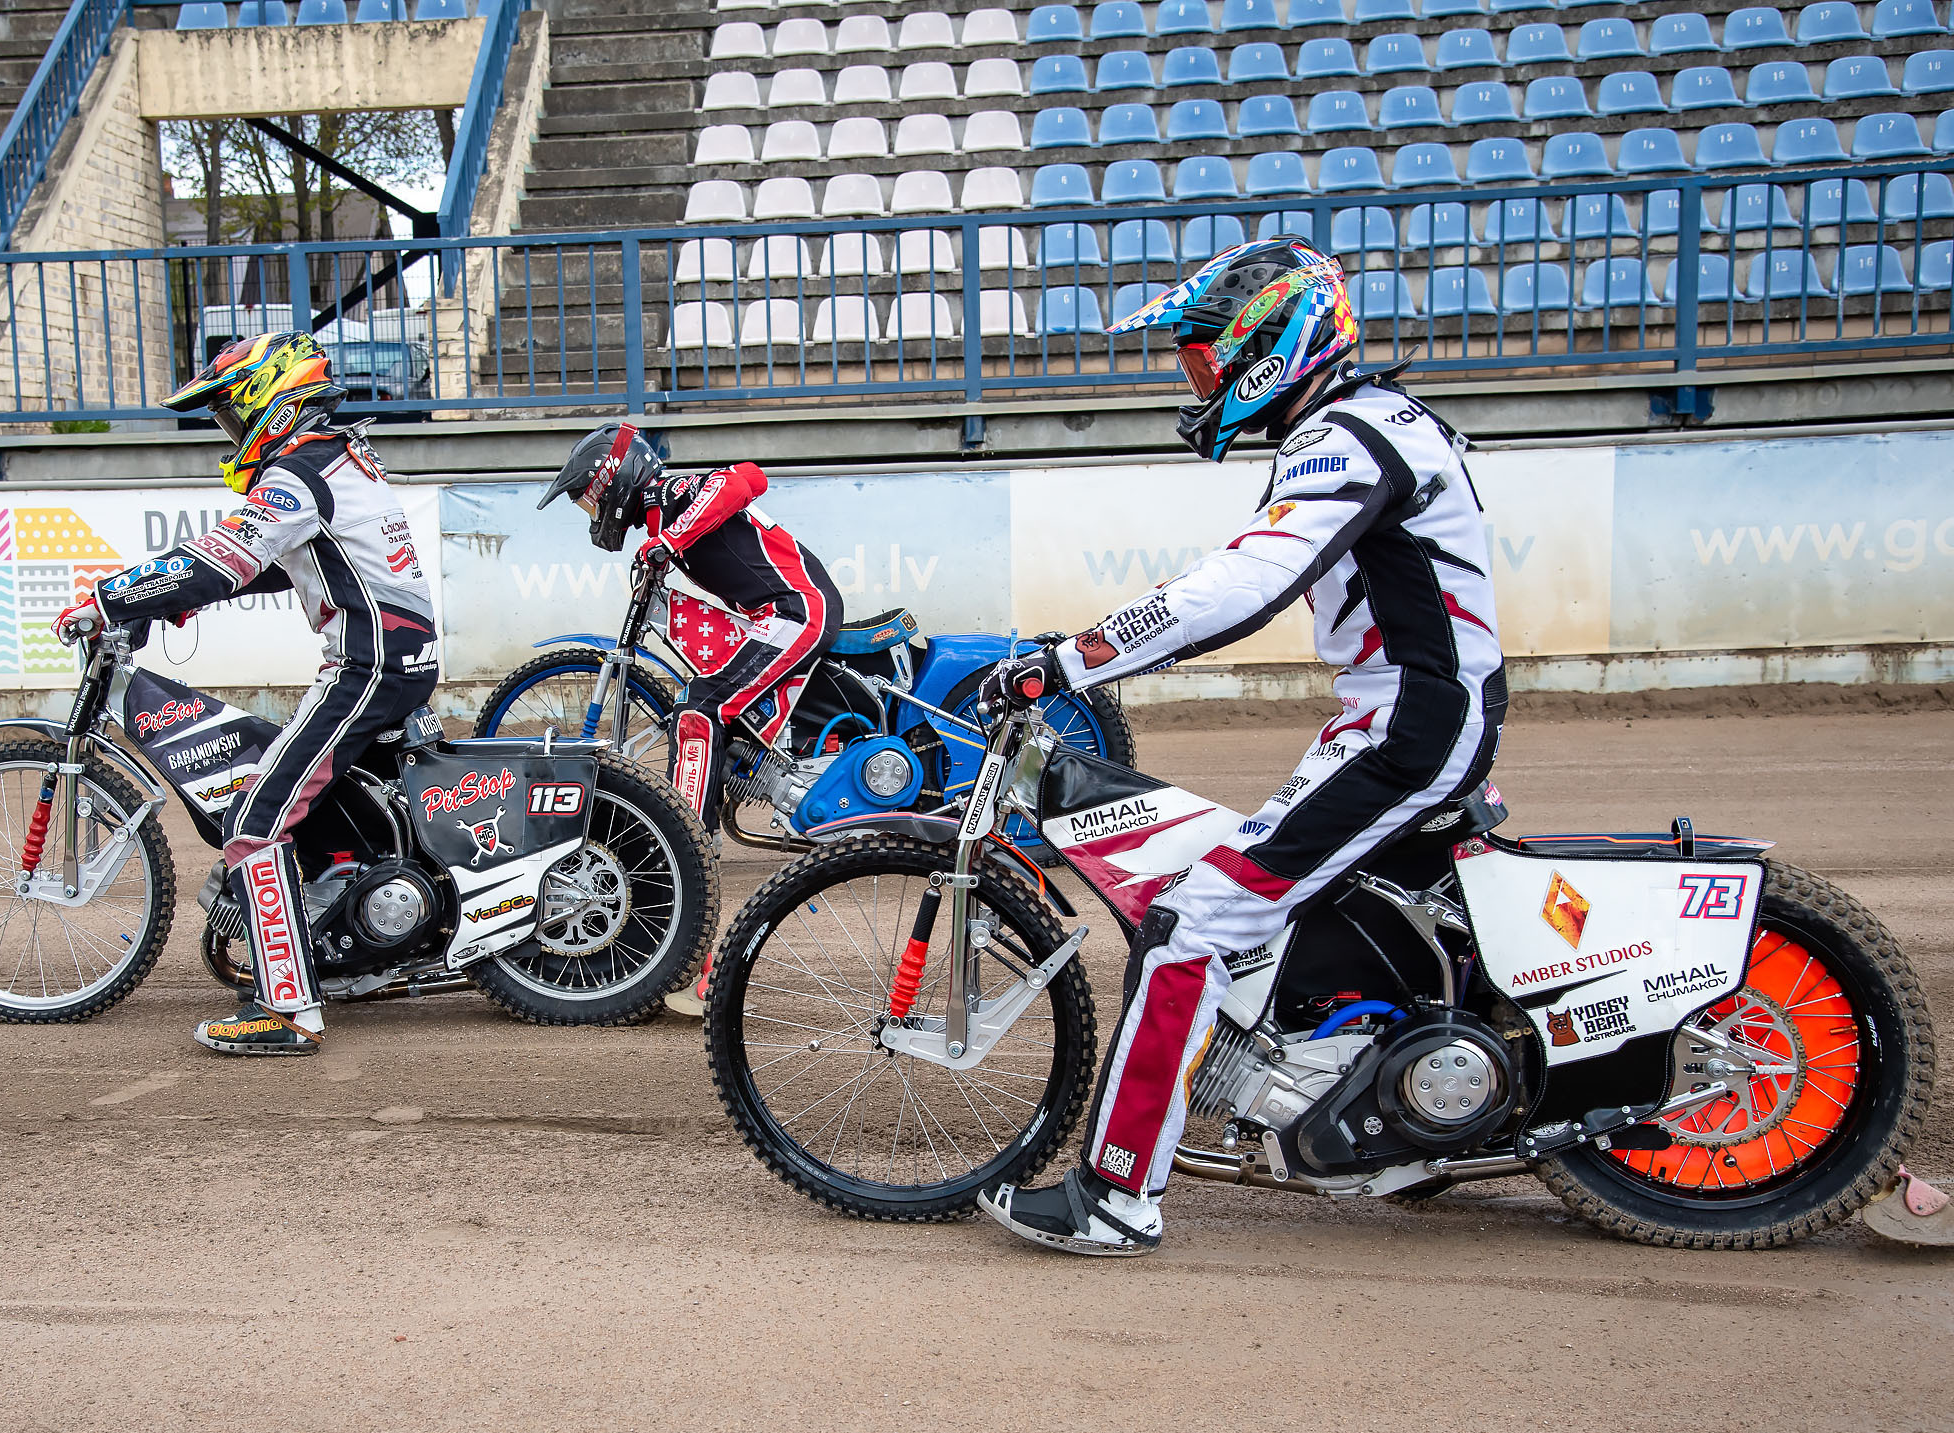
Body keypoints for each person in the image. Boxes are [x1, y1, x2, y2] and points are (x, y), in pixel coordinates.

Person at [975, 237, 1508, 1257]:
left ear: (1272, 344)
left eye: (1203, 357)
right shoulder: (1363, 423)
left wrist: (1070, 659)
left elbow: (1238, 588)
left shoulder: (1344, 438)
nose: (1196, 378)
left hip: (1410, 721)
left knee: (1191, 919)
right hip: (1406, 711)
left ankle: (1117, 1195)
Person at [51, 331, 438, 1059]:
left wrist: (112, 597)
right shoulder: (332, 456)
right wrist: (179, 595)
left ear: (274, 399)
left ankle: (288, 1011)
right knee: (301, 798)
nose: (230, 430)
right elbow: (282, 558)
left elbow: (226, 554)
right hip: (392, 658)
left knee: (254, 821)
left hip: (369, 666)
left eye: (232, 412)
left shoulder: (298, 471)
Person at [537, 424, 845, 839]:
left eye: (590, 500)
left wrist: (672, 539)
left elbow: (749, 477)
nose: (594, 513)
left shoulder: (671, 493)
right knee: (703, 699)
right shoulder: (660, 516)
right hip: (780, 614)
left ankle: (687, 843)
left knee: (700, 709)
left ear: (613, 478)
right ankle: (706, 825)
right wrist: (666, 545)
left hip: (795, 612)